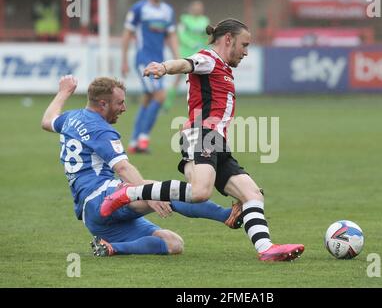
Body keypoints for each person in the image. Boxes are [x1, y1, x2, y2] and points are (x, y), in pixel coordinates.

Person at [107, 19, 305, 262]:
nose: (246, 52)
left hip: (217, 142)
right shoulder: (208, 58)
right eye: (244, 45)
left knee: (252, 195)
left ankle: (266, 249)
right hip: (201, 134)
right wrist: (164, 67)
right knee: (201, 192)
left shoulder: (224, 68)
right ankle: (130, 193)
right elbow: (186, 63)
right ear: (228, 40)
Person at [41, 75, 243, 257]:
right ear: (102, 104)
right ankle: (228, 215)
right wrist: (148, 193)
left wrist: (63, 92)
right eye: (119, 103)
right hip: (102, 198)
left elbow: (47, 121)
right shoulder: (101, 131)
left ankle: (110, 248)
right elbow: (123, 168)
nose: (124, 108)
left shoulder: (71, 119)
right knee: (165, 191)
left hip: (91, 215)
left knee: (173, 244)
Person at [121, 0, 178, 154]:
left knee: (147, 99)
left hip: (159, 62)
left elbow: (172, 36)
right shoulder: (138, 9)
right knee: (160, 96)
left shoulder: (168, 11)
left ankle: (133, 141)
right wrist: (124, 59)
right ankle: (143, 139)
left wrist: (177, 58)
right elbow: (127, 33)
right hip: (143, 61)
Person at [163, 0, 210, 112]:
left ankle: (201, 104)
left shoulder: (205, 20)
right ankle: (166, 104)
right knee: (178, 78)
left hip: (199, 54)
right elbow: (181, 34)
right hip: (186, 52)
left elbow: (206, 36)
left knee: (202, 80)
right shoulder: (185, 19)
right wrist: (191, 43)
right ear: (191, 8)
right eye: (196, 7)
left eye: (200, 7)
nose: (198, 9)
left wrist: (206, 46)